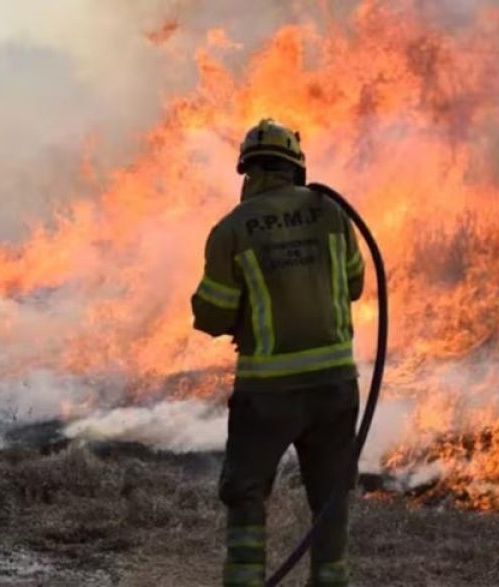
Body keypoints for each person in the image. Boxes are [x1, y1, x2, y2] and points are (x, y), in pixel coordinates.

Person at [191, 118, 365, 587]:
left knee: (246, 493)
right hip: (334, 386)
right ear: (297, 167)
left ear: (247, 170)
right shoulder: (333, 214)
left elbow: (212, 313)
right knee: (330, 498)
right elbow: (355, 284)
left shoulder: (232, 229)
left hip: (267, 392)